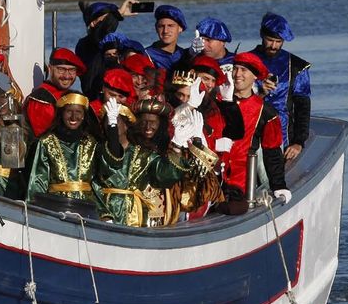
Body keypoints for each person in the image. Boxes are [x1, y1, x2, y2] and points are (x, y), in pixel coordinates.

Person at [211, 51, 290, 216]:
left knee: (233, 208)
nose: (237, 74)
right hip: (211, 173)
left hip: (240, 180)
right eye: (236, 69)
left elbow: (272, 151)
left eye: (243, 70)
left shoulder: (266, 112)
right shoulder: (215, 102)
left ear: (255, 76)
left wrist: (279, 186)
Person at [96, 95, 189, 227]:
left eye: (117, 121)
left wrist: (177, 148)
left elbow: (165, 176)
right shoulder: (99, 150)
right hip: (106, 212)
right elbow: (112, 160)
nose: (148, 126)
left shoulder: (144, 154)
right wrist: (103, 213)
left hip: (136, 215)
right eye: (111, 123)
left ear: (127, 125)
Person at [25, 92, 103, 216]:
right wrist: (35, 211)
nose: (73, 116)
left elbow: (98, 181)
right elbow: (38, 180)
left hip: (86, 208)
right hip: (55, 206)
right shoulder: (46, 142)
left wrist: (103, 212)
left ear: (84, 116)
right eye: (69, 111)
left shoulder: (92, 143)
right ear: (61, 113)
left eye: (78, 112)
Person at [250, 12, 313, 164]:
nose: (273, 46)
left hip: (284, 138)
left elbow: (302, 107)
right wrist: (259, 91)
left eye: (278, 41)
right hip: (251, 134)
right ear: (261, 35)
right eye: (270, 40)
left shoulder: (297, 66)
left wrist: (298, 142)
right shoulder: (245, 62)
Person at [24, 48, 85, 136]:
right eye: (61, 69)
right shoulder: (42, 99)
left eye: (71, 70)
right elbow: (43, 138)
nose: (67, 76)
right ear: (50, 69)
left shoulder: (70, 95)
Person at [192, 17, 236, 100]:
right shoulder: (193, 60)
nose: (203, 45)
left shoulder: (236, 62)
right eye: (201, 40)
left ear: (223, 41)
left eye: (208, 40)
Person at [145, 4, 192, 72]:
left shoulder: (185, 55)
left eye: (170, 26)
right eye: (161, 26)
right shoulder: (146, 55)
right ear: (156, 28)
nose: (165, 31)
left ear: (180, 28)